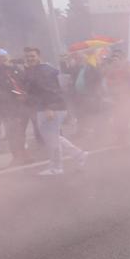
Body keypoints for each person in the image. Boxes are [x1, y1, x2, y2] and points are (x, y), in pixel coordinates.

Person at [20, 46, 86, 175]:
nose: (30, 59)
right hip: (44, 107)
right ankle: (79, 155)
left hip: (51, 108)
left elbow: (51, 90)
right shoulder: (33, 70)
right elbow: (31, 90)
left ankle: (57, 167)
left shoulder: (44, 70)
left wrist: (49, 107)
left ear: (39, 56)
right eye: (28, 57)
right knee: (53, 136)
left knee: (52, 138)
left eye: (32, 56)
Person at [0, 49, 32, 163]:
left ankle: (24, 154)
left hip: (21, 104)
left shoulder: (15, 68)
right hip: (7, 106)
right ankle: (16, 156)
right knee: (12, 132)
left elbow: (23, 80)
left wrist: (24, 94)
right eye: (0, 59)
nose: (4, 60)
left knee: (21, 131)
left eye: (5, 57)